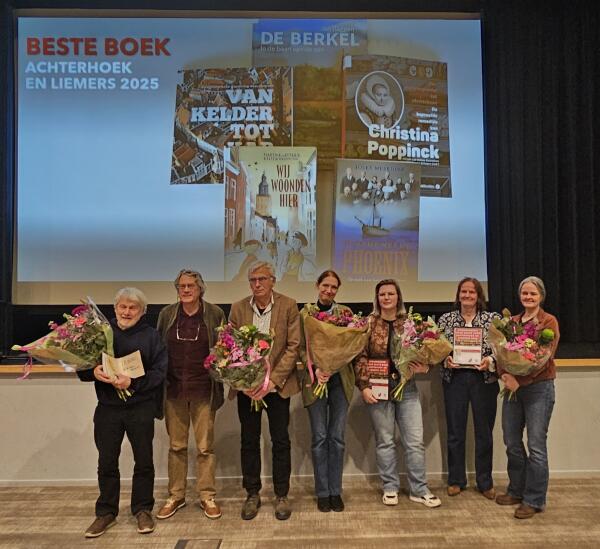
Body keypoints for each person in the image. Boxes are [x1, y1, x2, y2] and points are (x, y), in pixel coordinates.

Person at [78, 288, 167, 538]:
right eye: (122, 307)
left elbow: (159, 373)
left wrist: (133, 383)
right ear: (115, 308)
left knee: (144, 461)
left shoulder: (152, 336)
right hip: (108, 409)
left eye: (133, 307)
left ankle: (142, 509)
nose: (127, 312)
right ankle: (106, 512)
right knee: (106, 462)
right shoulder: (100, 334)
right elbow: (82, 368)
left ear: (142, 311)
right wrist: (92, 372)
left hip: (140, 407)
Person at [354, 279, 441, 508]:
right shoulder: (368, 323)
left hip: (407, 388)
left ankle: (419, 489)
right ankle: (390, 487)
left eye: (390, 294)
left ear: (398, 297)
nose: (386, 297)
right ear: (377, 298)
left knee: (415, 442)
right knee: (385, 441)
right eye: (382, 294)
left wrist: (426, 367)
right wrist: (364, 386)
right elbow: (360, 356)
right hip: (378, 388)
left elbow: (427, 351)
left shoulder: (411, 323)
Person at [229, 261, 301, 521]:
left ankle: (281, 494)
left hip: (276, 389)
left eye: (262, 279)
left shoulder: (289, 305)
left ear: (273, 280)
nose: (257, 284)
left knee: (280, 441)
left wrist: (273, 381)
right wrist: (246, 382)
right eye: (253, 280)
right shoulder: (238, 308)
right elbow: (230, 347)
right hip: (248, 389)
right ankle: (252, 493)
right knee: (249, 440)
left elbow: (293, 347)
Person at [156, 269, 226, 521]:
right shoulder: (167, 314)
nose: (185, 290)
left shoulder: (215, 313)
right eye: (181, 286)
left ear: (200, 289)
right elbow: (158, 349)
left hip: (204, 390)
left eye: (190, 286)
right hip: (173, 390)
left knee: (205, 448)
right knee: (177, 447)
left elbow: (224, 349)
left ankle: (207, 496)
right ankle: (176, 495)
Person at [496, 276, 560, 519]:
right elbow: (500, 353)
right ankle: (516, 490)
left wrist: (519, 381)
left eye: (533, 293)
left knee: (536, 446)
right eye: (525, 293)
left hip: (538, 389)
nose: (528, 297)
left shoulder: (548, 321)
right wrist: (505, 375)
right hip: (512, 387)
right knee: (511, 441)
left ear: (541, 296)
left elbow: (544, 357)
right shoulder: (511, 322)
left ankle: (534, 499)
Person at [437, 278, 501, 499]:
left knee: (484, 432)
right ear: (458, 295)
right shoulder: (446, 320)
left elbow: (502, 348)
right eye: (463, 291)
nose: (467, 295)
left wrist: (489, 360)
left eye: (471, 292)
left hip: (484, 379)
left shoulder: (492, 320)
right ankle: (456, 480)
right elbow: (436, 349)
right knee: (455, 432)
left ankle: (485, 482)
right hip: (455, 379)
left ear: (478, 295)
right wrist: (445, 359)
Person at [299, 270, 354, 513]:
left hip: (341, 381)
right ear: (317, 285)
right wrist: (316, 368)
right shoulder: (305, 314)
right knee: (320, 437)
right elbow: (300, 348)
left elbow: (351, 346)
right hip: (315, 381)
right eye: (325, 285)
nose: (329, 290)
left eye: (334, 287)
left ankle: (335, 491)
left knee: (337, 438)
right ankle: (322, 492)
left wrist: (334, 364)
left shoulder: (346, 314)